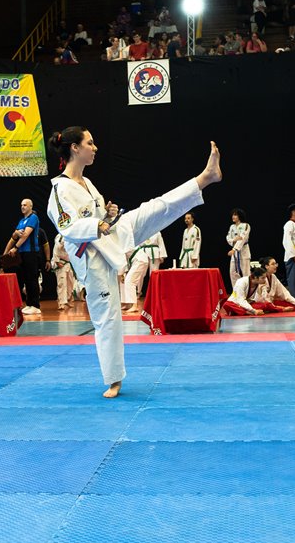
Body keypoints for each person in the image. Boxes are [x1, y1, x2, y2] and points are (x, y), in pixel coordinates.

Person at [46, 128, 221, 398]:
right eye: (90, 143)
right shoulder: (60, 189)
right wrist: (99, 223)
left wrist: (108, 214)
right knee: (108, 318)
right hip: (91, 256)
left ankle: (204, 179)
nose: (95, 147)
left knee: (154, 208)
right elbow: (66, 225)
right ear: (74, 149)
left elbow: (99, 215)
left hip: (110, 236)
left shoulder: (87, 183)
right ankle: (114, 379)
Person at [4, 199, 42, 314]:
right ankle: (29, 303)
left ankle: (35, 305)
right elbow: (15, 234)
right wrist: (15, 234)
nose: (23, 207)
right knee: (26, 279)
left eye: (25, 205)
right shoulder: (22, 220)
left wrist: (15, 247)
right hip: (23, 254)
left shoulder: (33, 218)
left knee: (32, 278)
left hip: (31, 252)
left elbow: (25, 234)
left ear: (31, 206)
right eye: (21, 205)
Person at [122, 231, 167, 310]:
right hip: (143, 252)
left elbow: (161, 242)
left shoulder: (157, 231)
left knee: (153, 275)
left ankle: (154, 294)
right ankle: (137, 293)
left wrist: (162, 255)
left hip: (152, 253)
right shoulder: (142, 231)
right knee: (137, 278)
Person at [226, 208, 252, 292]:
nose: (233, 216)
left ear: (240, 216)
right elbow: (228, 238)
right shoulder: (232, 227)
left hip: (243, 252)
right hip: (234, 254)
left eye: (235, 215)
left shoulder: (246, 225)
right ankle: (237, 293)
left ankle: (248, 293)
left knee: (245, 273)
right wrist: (233, 240)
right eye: (233, 215)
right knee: (233, 273)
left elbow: (242, 238)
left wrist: (234, 249)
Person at [51, 233, 78, 310]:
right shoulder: (60, 236)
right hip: (60, 262)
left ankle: (68, 299)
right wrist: (57, 261)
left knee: (71, 282)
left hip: (68, 262)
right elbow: (56, 248)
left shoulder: (74, 236)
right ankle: (61, 302)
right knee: (62, 283)